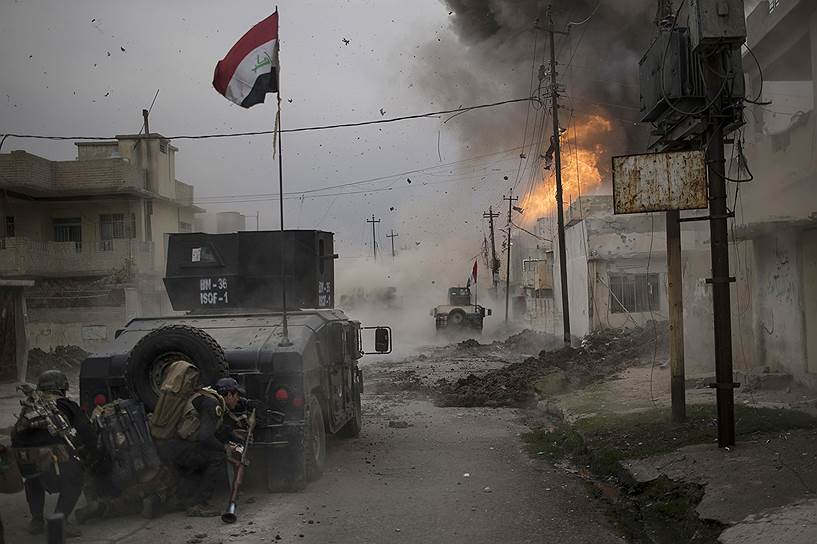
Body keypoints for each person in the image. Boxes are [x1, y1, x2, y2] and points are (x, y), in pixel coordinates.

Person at [11, 370, 98, 538]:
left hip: (27, 459)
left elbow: (16, 435)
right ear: (61, 388)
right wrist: (92, 454)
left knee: (33, 479)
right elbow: (88, 433)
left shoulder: (31, 406)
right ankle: (62, 521)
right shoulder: (66, 404)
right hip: (54, 459)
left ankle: (36, 520)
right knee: (75, 479)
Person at [150, 362, 242, 517]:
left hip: (166, 445)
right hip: (174, 447)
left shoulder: (205, 397)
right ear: (230, 394)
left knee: (202, 455)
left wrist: (233, 436)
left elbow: (215, 429)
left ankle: (181, 499)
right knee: (216, 457)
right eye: (237, 396)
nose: (238, 401)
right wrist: (225, 449)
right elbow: (205, 437)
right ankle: (198, 504)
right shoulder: (213, 404)